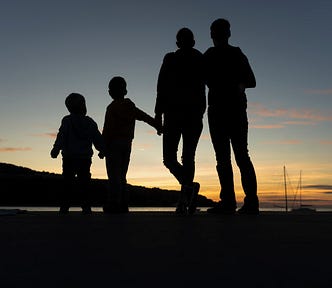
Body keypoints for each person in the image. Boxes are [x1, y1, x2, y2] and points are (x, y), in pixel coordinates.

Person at [204, 18, 259, 215]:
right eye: (214, 31)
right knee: (225, 158)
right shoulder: (208, 55)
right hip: (217, 111)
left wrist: (240, 85)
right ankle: (228, 202)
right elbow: (197, 77)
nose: (215, 35)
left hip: (234, 110)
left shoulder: (236, 54)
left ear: (227, 33)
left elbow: (252, 80)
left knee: (240, 156)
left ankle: (250, 202)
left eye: (218, 31)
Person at [155, 28, 206, 214]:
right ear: (178, 43)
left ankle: (185, 198)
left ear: (192, 42)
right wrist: (158, 113)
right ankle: (189, 188)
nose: (184, 43)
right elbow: (161, 86)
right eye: (182, 40)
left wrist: (200, 110)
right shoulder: (170, 58)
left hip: (191, 115)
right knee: (169, 158)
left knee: (187, 157)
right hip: (172, 115)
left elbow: (207, 84)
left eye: (187, 39)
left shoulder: (200, 58)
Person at [101, 76, 161, 213]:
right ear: (125, 91)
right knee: (122, 175)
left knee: (113, 175)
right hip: (127, 144)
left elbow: (107, 129)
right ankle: (123, 203)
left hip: (113, 145)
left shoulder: (111, 108)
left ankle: (114, 203)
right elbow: (145, 117)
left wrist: (102, 147)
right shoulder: (130, 106)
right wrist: (157, 126)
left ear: (110, 92)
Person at [51, 93, 104, 214]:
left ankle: (65, 207)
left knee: (67, 182)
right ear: (84, 106)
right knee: (84, 183)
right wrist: (102, 150)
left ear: (69, 108)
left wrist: (56, 149)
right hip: (84, 159)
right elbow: (97, 138)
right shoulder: (90, 122)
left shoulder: (67, 121)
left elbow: (61, 136)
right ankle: (86, 207)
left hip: (69, 157)